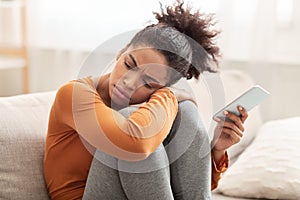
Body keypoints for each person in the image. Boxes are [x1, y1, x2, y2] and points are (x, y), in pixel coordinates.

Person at [44, 1, 248, 200]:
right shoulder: (74, 95)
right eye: (128, 64)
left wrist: (217, 150)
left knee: (184, 111)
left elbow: (186, 187)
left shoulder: (152, 106)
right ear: (121, 52)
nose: (129, 82)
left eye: (149, 83)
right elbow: (135, 145)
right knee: (135, 124)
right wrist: (169, 94)